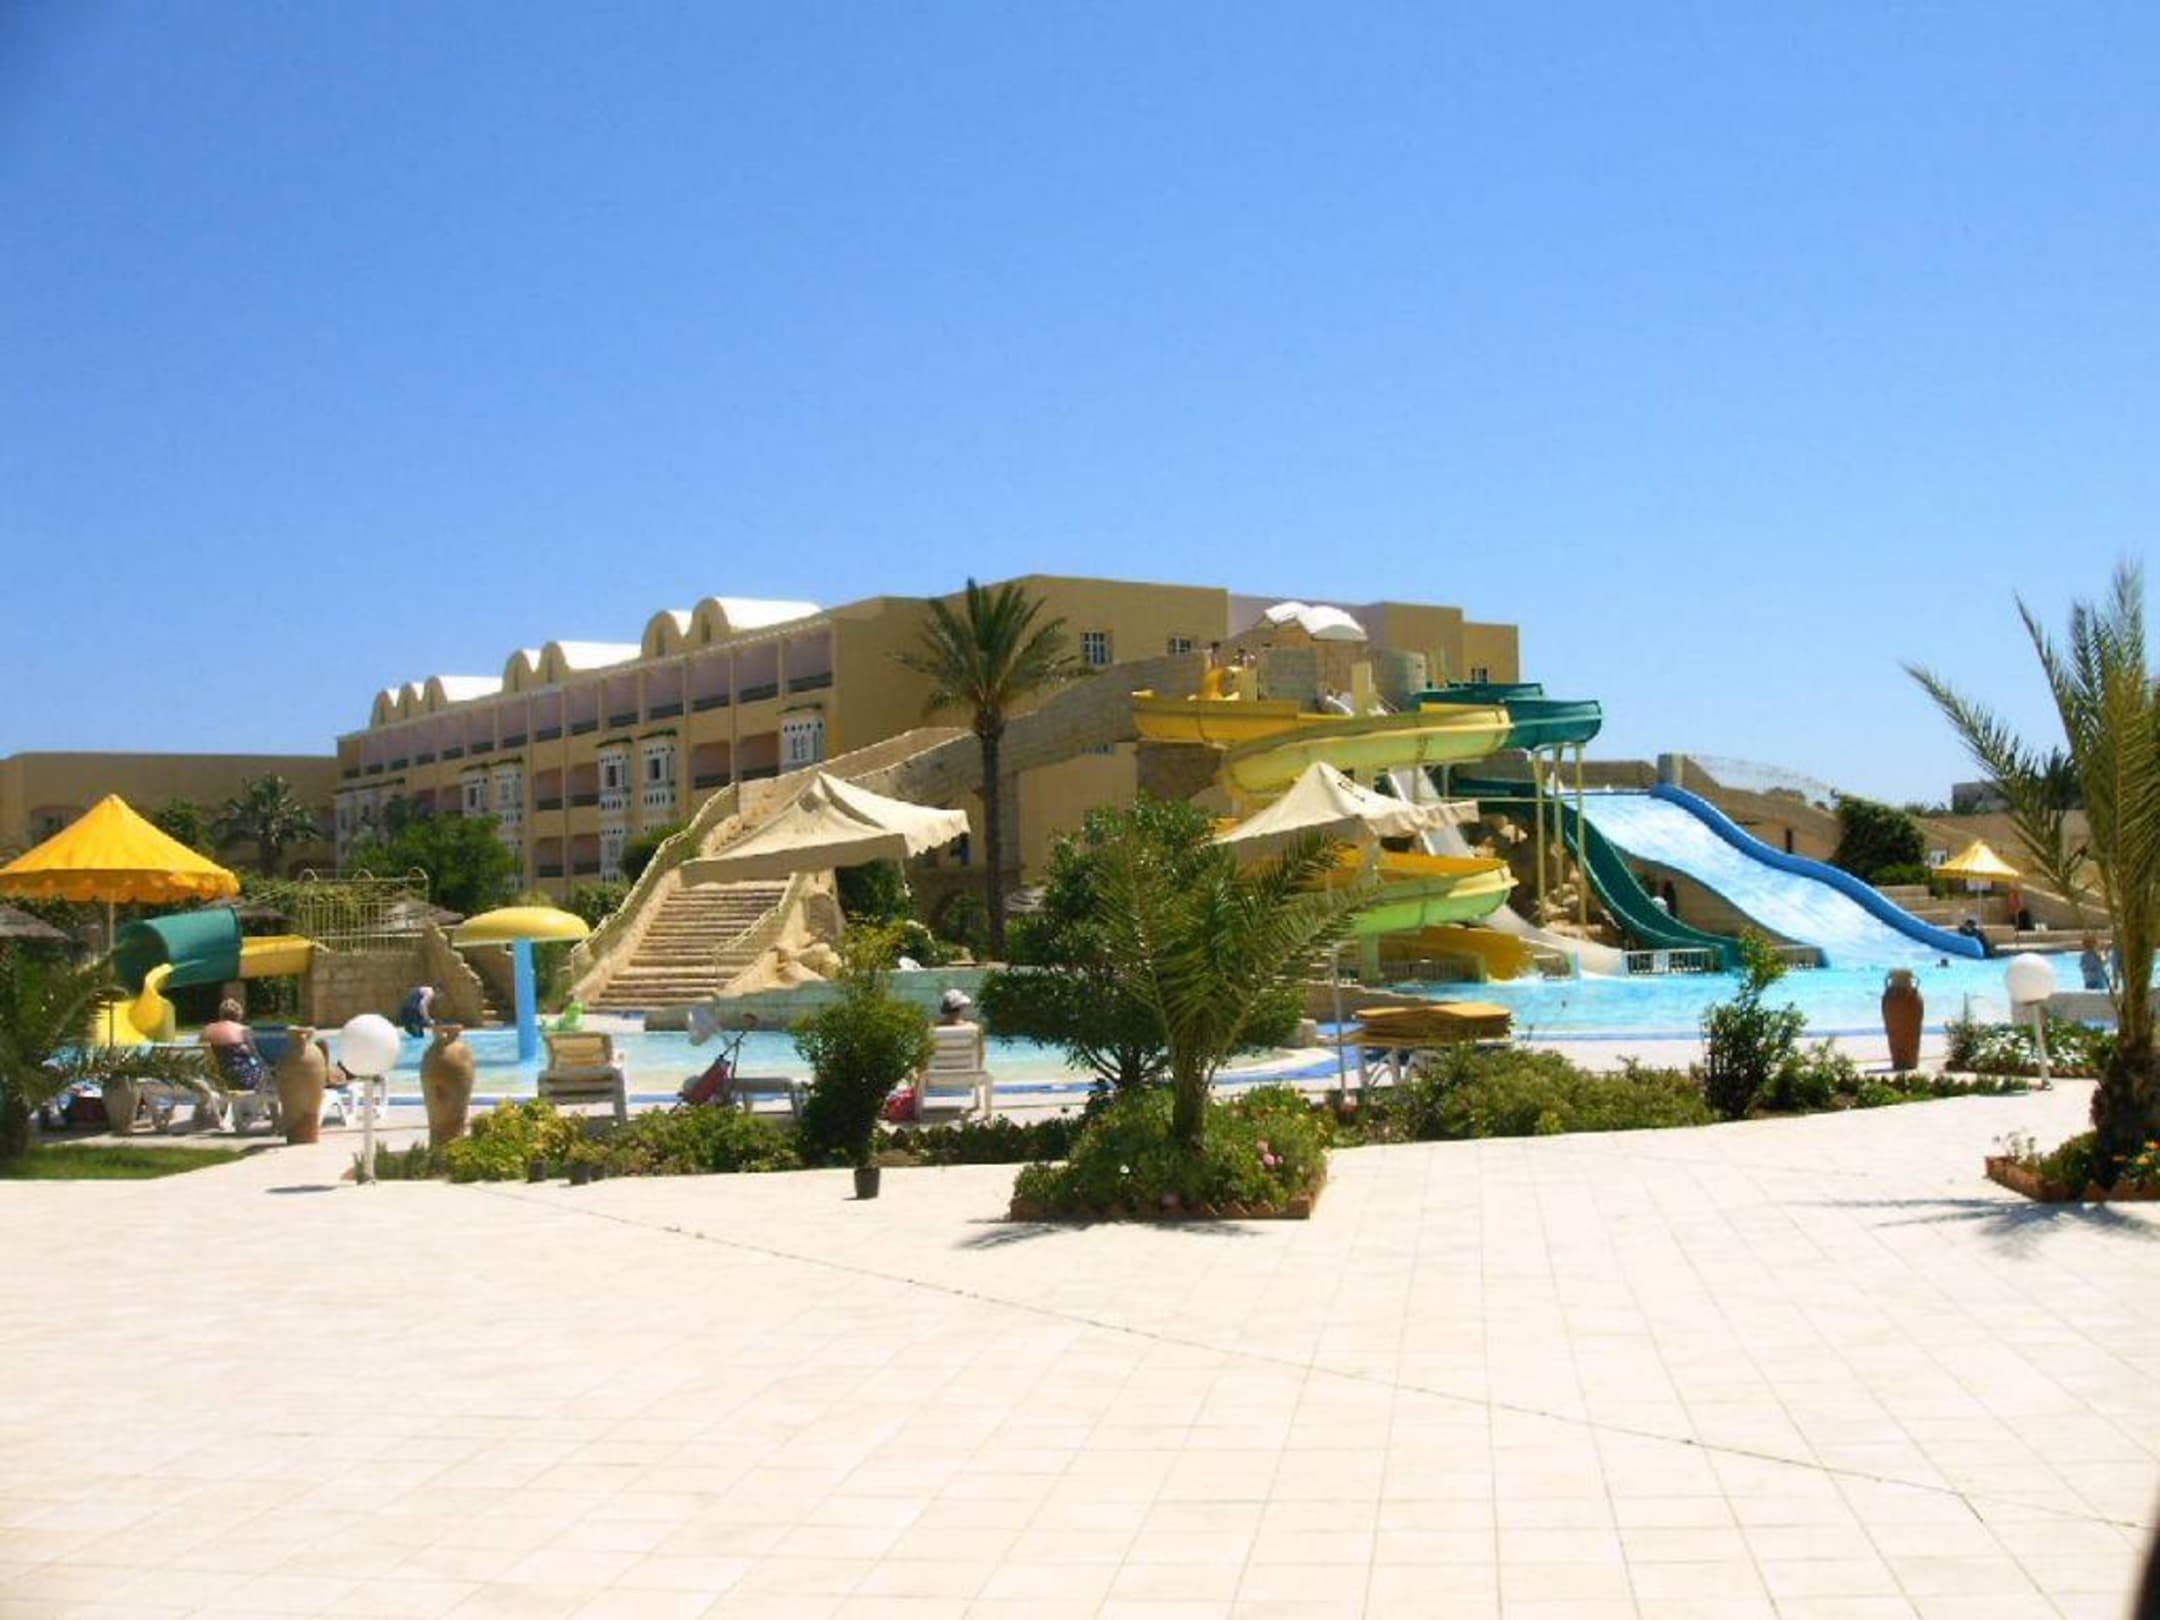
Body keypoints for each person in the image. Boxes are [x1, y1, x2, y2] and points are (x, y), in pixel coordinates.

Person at [197, 999, 267, 1091]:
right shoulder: (243, 1030)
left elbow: (202, 1049)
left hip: (216, 1077)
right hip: (242, 1076)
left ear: (221, 1014)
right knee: (263, 1068)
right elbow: (255, 1053)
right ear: (239, 1015)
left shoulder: (207, 1029)